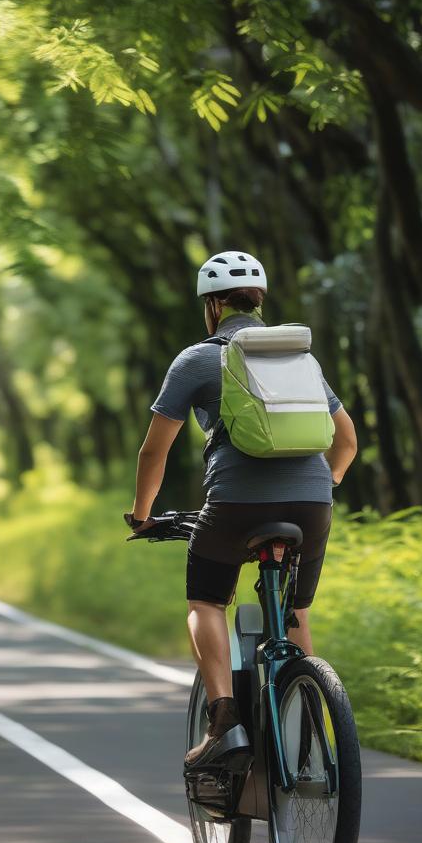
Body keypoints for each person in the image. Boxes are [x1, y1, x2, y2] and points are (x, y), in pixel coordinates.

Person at [125, 251, 358, 772]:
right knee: (295, 609)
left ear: (211, 305)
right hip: (313, 505)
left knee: (206, 602)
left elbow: (154, 451)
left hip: (233, 505)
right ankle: (309, 726)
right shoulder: (300, 360)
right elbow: (346, 441)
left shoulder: (197, 359)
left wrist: (142, 514)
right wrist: (326, 483)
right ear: (259, 302)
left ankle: (224, 721)